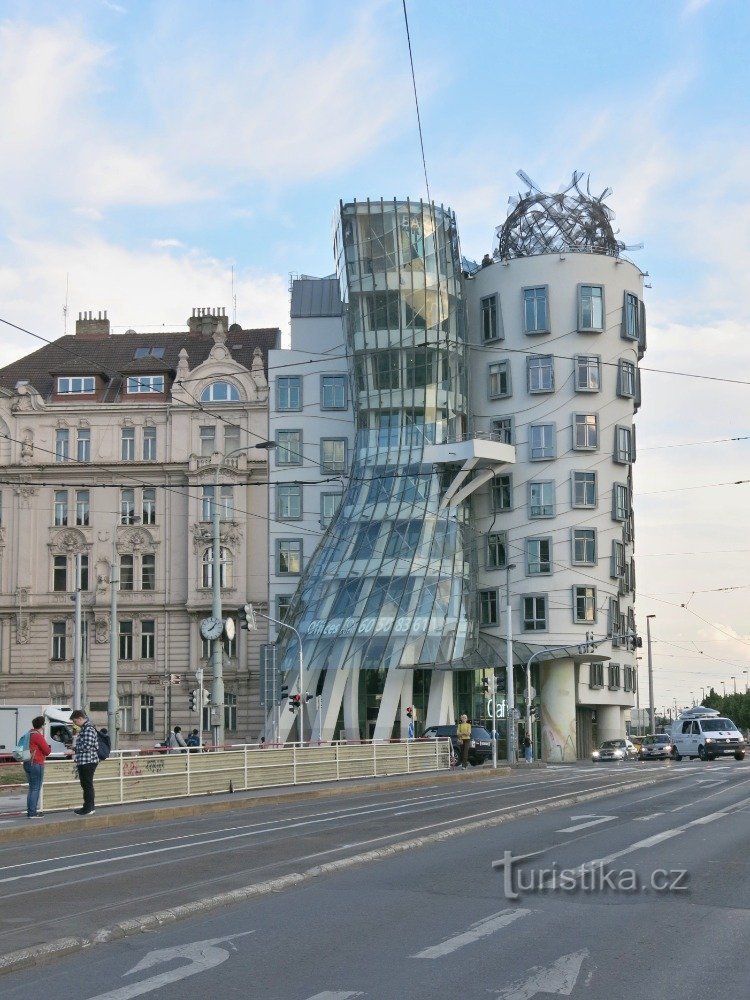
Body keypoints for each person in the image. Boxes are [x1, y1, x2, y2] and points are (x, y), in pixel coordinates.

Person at [70, 709, 98, 816]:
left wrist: (74, 748)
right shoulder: (85, 728)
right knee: (86, 784)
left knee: (87, 784)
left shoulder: (88, 729)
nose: (75, 724)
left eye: (75, 721)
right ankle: (88, 806)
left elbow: (87, 745)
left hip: (88, 760)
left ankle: (88, 808)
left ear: (80, 718)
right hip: (85, 760)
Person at [24, 716, 51, 818]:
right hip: (36, 763)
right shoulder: (37, 736)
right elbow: (47, 751)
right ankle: (32, 813)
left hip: (27, 762)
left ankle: (30, 811)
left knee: (31, 788)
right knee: (35, 789)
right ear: (42, 725)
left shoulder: (29, 734)